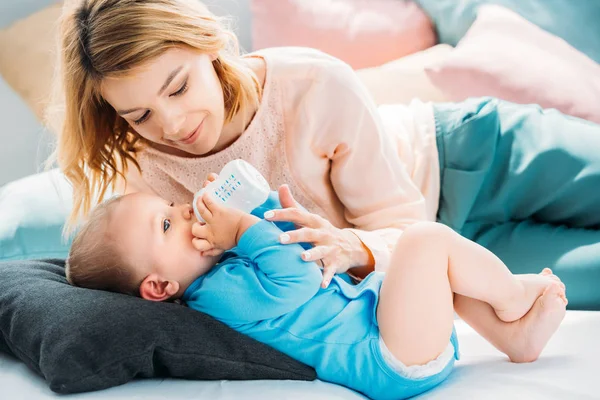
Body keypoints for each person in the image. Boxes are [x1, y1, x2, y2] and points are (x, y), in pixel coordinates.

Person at [54, 0, 600, 310]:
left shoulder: (311, 81)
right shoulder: (147, 179)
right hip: (444, 258)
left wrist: (349, 245)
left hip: (468, 155)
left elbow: (400, 220)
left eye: (177, 88)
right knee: (559, 292)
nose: (172, 127)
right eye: (139, 116)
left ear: (209, 46)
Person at [65, 189, 567, 400]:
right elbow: (299, 277)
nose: (187, 211)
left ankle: (512, 337)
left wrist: (259, 203)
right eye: (169, 222)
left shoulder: (226, 268)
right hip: (389, 361)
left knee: (435, 277)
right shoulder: (215, 299)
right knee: (424, 242)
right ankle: (513, 296)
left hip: (390, 330)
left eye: (175, 204)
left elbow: (291, 249)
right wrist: (240, 227)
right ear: (159, 287)